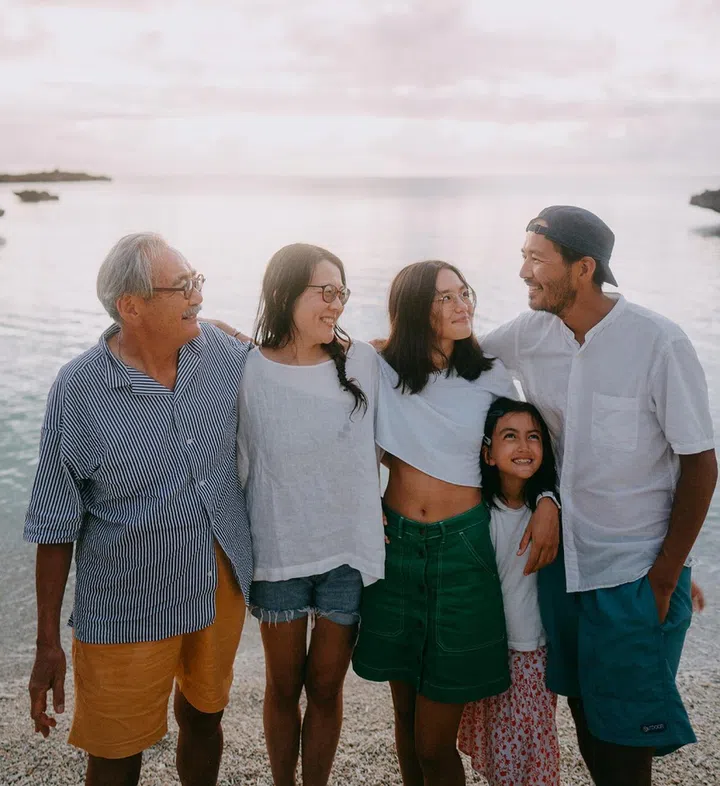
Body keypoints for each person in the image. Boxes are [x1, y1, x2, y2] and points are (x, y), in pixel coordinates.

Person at [481, 206, 717, 786]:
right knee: (585, 711)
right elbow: (447, 355)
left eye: (536, 259)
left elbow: (700, 465)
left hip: (634, 571)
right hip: (563, 566)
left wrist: (666, 578)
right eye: (522, 257)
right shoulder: (528, 334)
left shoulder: (658, 341)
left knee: (625, 737)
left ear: (582, 268)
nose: (523, 272)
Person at [24, 233, 253, 786]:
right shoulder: (78, 388)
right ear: (132, 305)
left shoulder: (224, 357)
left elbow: (300, 373)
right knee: (115, 751)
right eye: (185, 286)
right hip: (126, 599)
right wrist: (47, 641)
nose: (199, 296)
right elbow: (55, 525)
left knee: (204, 717)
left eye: (197, 281)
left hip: (218, 583)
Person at [352, 260, 560, 786]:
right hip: (394, 546)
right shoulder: (379, 368)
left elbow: (527, 448)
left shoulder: (489, 372)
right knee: (404, 717)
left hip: (463, 550)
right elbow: (325, 400)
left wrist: (549, 499)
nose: (461, 304)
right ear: (414, 310)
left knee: (433, 740)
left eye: (463, 293)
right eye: (444, 297)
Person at [236, 243, 385, 786]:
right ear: (283, 293)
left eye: (341, 292)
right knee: (283, 686)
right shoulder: (246, 370)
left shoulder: (364, 361)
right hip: (277, 553)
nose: (336, 304)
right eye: (325, 292)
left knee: (326, 687)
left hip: (347, 552)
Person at [458, 397, 561, 786]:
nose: (523, 446)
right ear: (488, 453)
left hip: (532, 650)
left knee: (534, 750)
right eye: (510, 436)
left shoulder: (549, 510)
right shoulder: (478, 513)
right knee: (502, 750)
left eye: (533, 437)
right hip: (489, 648)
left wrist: (549, 498)